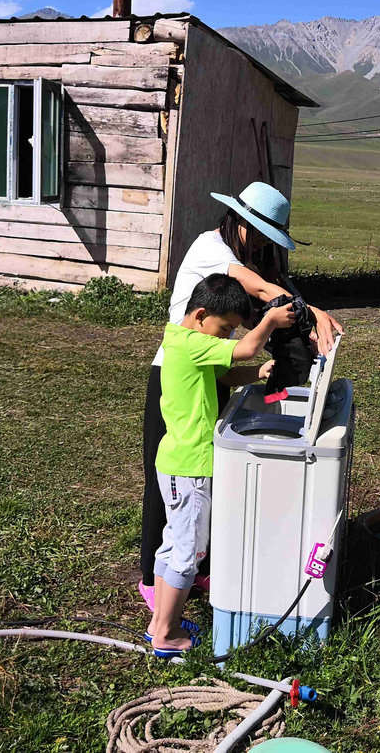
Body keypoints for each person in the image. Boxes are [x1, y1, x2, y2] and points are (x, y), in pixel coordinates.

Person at [138, 182, 344, 609]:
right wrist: (314, 314)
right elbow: (263, 290)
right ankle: (150, 578)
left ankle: (192, 566)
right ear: (244, 226)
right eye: (264, 235)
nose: (267, 246)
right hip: (174, 374)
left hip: (212, 372)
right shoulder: (210, 249)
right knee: (168, 479)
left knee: (203, 477)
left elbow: (271, 287)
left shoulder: (238, 255)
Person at [148, 274, 296, 656]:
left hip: (176, 462)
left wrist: (258, 374)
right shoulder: (191, 342)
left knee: (172, 545)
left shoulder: (184, 340)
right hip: (190, 465)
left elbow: (229, 372)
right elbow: (246, 350)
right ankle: (167, 636)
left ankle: (159, 624)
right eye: (226, 328)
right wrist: (269, 322)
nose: (229, 337)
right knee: (189, 553)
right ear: (200, 315)